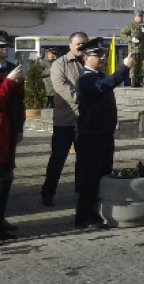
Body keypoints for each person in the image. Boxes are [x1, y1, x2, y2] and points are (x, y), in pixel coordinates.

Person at [75, 40, 133, 228]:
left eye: (102, 55)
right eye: (97, 56)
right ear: (85, 57)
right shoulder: (85, 78)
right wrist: (123, 69)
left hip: (103, 133)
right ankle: (84, 216)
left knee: (103, 174)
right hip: (91, 134)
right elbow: (103, 86)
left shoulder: (98, 75)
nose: (102, 58)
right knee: (89, 177)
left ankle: (97, 212)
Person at [42, 31, 88, 206]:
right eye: (78, 44)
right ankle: (48, 193)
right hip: (64, 120)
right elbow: (62, 89)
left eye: (84, 44)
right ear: (70, 45)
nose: (82, 47)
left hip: (84, 120)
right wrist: (87, 97)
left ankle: (80, 193)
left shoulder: (88, 62)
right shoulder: (59, 64)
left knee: (83, 160)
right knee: (58, 159)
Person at [0, 34, 24, 241]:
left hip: (8, 131)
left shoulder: (9, 68)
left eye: (5, 46)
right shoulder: (8, 75)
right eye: (1, 47)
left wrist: (20, 128)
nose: (4, 49)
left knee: (6, 177)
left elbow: (19, 102)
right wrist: (9, 82)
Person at [119, 9, 144, 87]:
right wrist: (131, 39)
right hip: (134, 50)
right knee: (133, 67)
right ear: (135, 17)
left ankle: (140, 81)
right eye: (139, 16)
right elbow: (122, 35)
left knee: (142, 67)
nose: (140, 18)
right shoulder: (130, 26)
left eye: (141, 16)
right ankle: (133, 82)